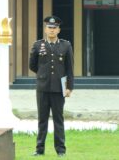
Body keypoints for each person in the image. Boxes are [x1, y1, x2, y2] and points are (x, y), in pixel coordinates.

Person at [29, 16, 74, 157]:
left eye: (54, 28)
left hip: (59, 89)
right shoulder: (38, 45)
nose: (52, 30)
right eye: (49, 27)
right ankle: (39, 149)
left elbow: (69, 69)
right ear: (45, 29)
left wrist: (69, 87)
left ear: (59, 30)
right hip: (42, 88)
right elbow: (32, 65)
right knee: (42, 120)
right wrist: (43, 74)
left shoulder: (66, 45)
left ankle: (61, 150)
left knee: (58, 120)